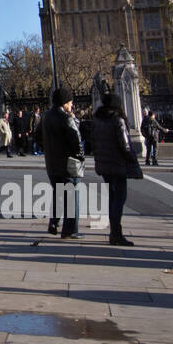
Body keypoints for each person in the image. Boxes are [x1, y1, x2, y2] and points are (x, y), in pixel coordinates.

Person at [91, 93, 144, 245]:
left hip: (103, 163)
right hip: (118, 163)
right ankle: (116, 233)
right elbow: (125, 145)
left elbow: (93, 142)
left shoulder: (97, 119)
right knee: (119, 199)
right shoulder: (117, 120)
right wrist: (133, 159)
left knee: (112, 198)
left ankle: (114, 231)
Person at [41, 88, 86, 238]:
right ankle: (70, 229)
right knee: (71, 198)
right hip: (67, 164)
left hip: (52, 163)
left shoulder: (46, 116)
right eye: (70, 102)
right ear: (65, 102)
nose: (72, 105)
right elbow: (76, 140)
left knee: (59, 194)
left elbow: (37, 136)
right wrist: (80, 157)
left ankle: (53, 222)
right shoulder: (67, 118)